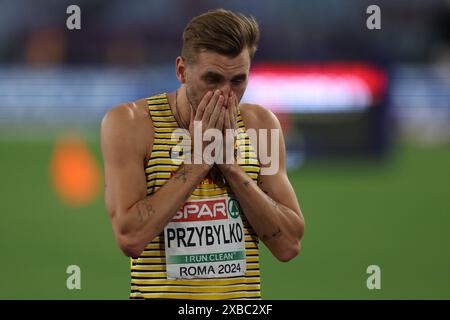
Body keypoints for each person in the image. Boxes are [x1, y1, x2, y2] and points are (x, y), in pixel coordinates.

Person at [100, 8, 305, 300]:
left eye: (238, 81)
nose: (226, 95)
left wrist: (232, 169)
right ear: (182, 71)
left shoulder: (261, 126)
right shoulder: (132, 124)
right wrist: (197, 162)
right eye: (213, 79)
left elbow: (288, 246)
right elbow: (130, 237)